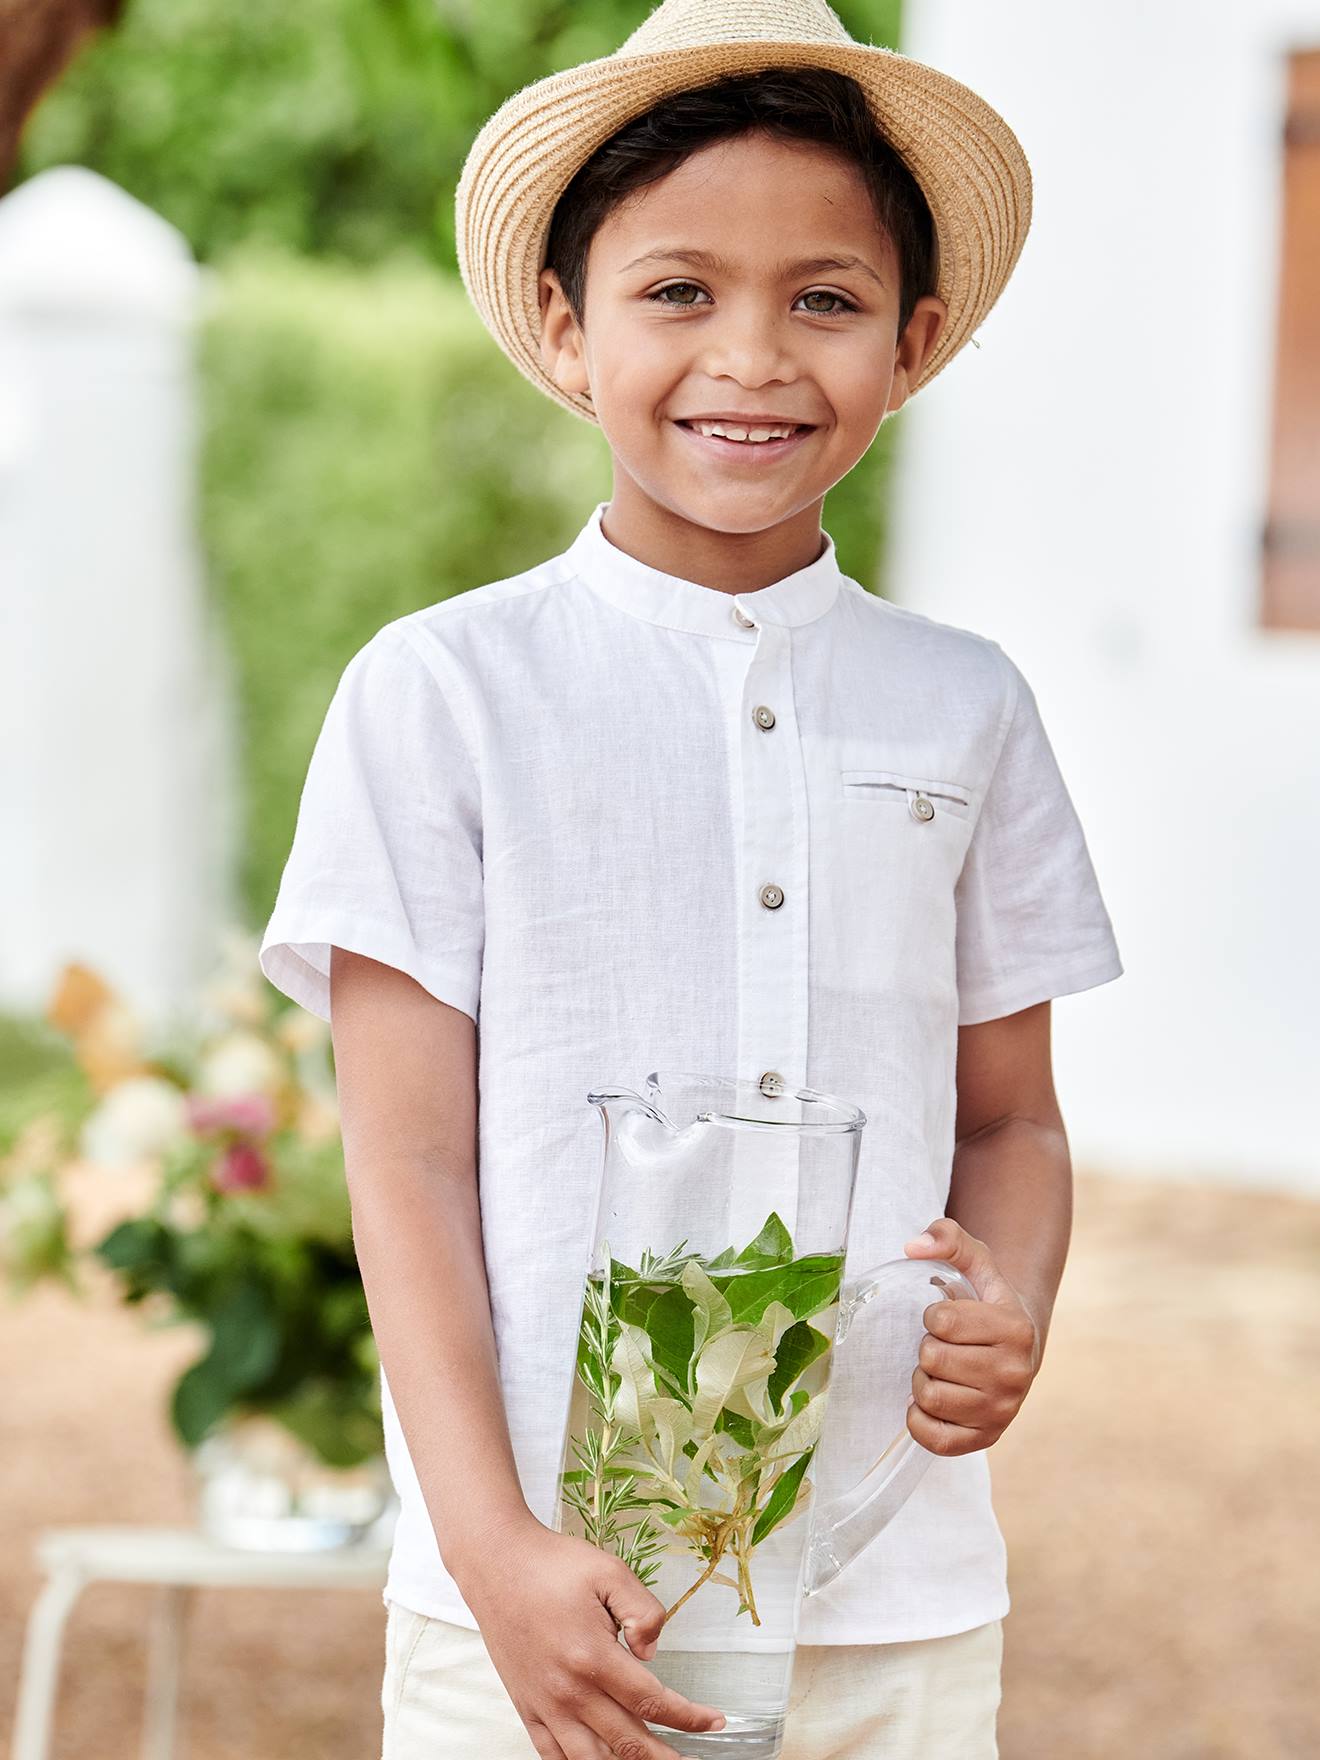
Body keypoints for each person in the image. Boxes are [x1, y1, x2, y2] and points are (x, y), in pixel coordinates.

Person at [258, 3, 1123, 1756]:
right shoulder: (441, 694)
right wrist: (493, 1552)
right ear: (568, 334)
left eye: (826, 297)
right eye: (678, 293)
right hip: (552, 1609)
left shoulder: (968, 707)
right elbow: (405, 1160)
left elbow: (1014, 1123)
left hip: (894, 1591)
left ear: (914, 338)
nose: (756, 355)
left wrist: (1013, 1300)